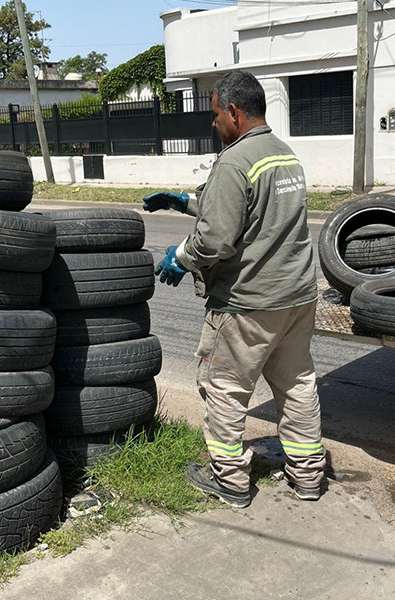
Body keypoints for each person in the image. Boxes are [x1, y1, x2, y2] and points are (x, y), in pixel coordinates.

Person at [143, 71, 326, 508]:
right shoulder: (283, 156)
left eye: (215, 116)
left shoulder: (234, 160)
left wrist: (180, 258)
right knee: (297, 386)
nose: (213, 124)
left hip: (248, 303)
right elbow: (250, 210)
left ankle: (230, 482)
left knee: (224, 388)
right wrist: (182, 202)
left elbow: (216, 239)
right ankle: (308, 479)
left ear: (234, 112)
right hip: (297, 297)